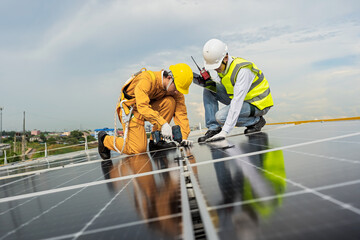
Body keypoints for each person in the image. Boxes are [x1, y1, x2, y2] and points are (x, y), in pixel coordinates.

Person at [98, 63, 194, 160]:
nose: (177, 92)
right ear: (169, 78)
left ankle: (156, 141)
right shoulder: (146, 79)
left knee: (169, 102)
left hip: (146, 108)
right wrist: (163, 123)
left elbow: (181, 113)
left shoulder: (174, 91)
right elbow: (142, 106)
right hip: (131, 110)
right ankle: (104, 140)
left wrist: (184, 137)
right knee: (138, 149)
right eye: (177, 88)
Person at [198, 39, 274, 142]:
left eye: (216, 66)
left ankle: (256, 121)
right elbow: (226, 84)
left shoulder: (242, 70)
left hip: (258, 104)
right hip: (243, 100)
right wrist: (209, 81)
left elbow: (237, 102)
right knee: (210, 89)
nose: (215, 69)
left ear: (225, 57)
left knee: (221, 117)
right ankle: (213, 128)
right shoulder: (223, 67)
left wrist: (224, 132)